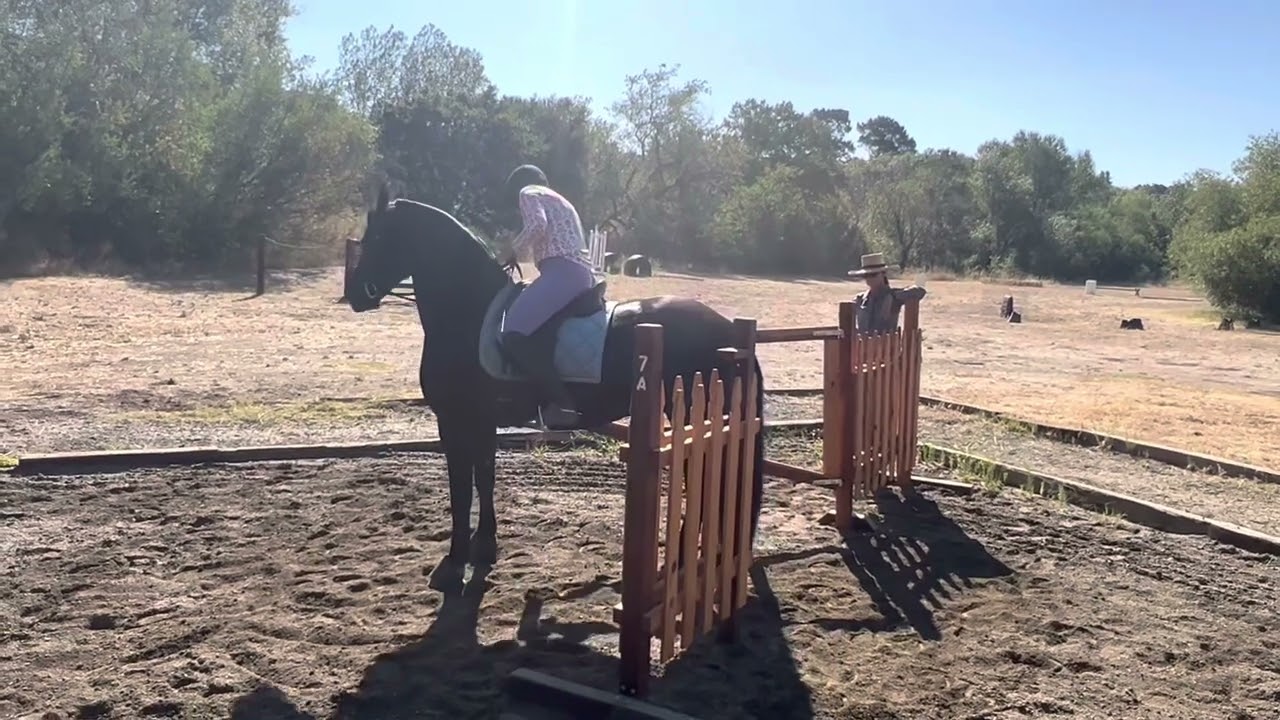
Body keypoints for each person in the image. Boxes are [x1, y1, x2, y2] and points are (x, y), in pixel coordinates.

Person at [498, 164, 596, 429]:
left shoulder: (528, 192)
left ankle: (563, 405)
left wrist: (512, 251)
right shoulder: (558, 199)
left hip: (563, 271)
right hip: (575, 272)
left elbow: (537, 225)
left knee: (514, 331)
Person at [847, 252, 926, 333]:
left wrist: (894, 296)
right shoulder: (860, 299)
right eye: (866, 275)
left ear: (883, 274)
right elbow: (846, 314)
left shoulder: (893, 296)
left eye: (873, 274)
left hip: (887, 344)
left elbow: (919, 292)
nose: (869, 278)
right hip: (863, 344)